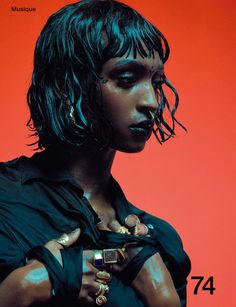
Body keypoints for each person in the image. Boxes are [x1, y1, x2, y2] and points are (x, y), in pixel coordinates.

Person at [0, 0, 191, 306]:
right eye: (127, 79)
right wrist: (23, 288)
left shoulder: (159, 241)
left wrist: (163, 297)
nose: (152, 102)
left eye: (156, 83)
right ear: (67, 85)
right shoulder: (5, 203)